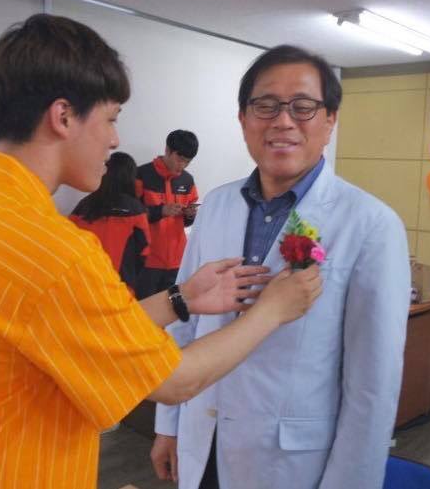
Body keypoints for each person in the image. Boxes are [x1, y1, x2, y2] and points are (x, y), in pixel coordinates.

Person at [0, 15, 322, 489]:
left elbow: (70, 328)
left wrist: (180, 299)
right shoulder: (49, 248)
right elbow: (174, 381)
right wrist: (271, 310)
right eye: (111, 118)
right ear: (63, 117)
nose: (115, 139)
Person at [152, 45, 411, 489]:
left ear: (330, 120)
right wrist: (168, 425)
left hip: (287, 461)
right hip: (203, 436)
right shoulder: (217, 204)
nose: (283, 121)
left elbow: (373, 384)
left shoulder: (371, 224)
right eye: (266, 106)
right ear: (243, 119)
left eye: (303, 106)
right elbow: (185, 323)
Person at [71, 151, 150, 296]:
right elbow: (144, 250)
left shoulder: (83, 205)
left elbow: (69, 243)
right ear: (130, 177)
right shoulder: (135, 209)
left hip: (84, 283)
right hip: (119, 287)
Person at [136, 129, 199, 298]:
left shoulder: (187, 180)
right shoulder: (141, 175)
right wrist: (160, 211)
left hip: (177, 260)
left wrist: (190, 215)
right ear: (168, 150)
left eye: (188, 162)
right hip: (147, 260)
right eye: (180, 159)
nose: (182, 166)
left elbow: (186, 222)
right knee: (142, 310)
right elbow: (130, 217)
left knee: (170, 311)